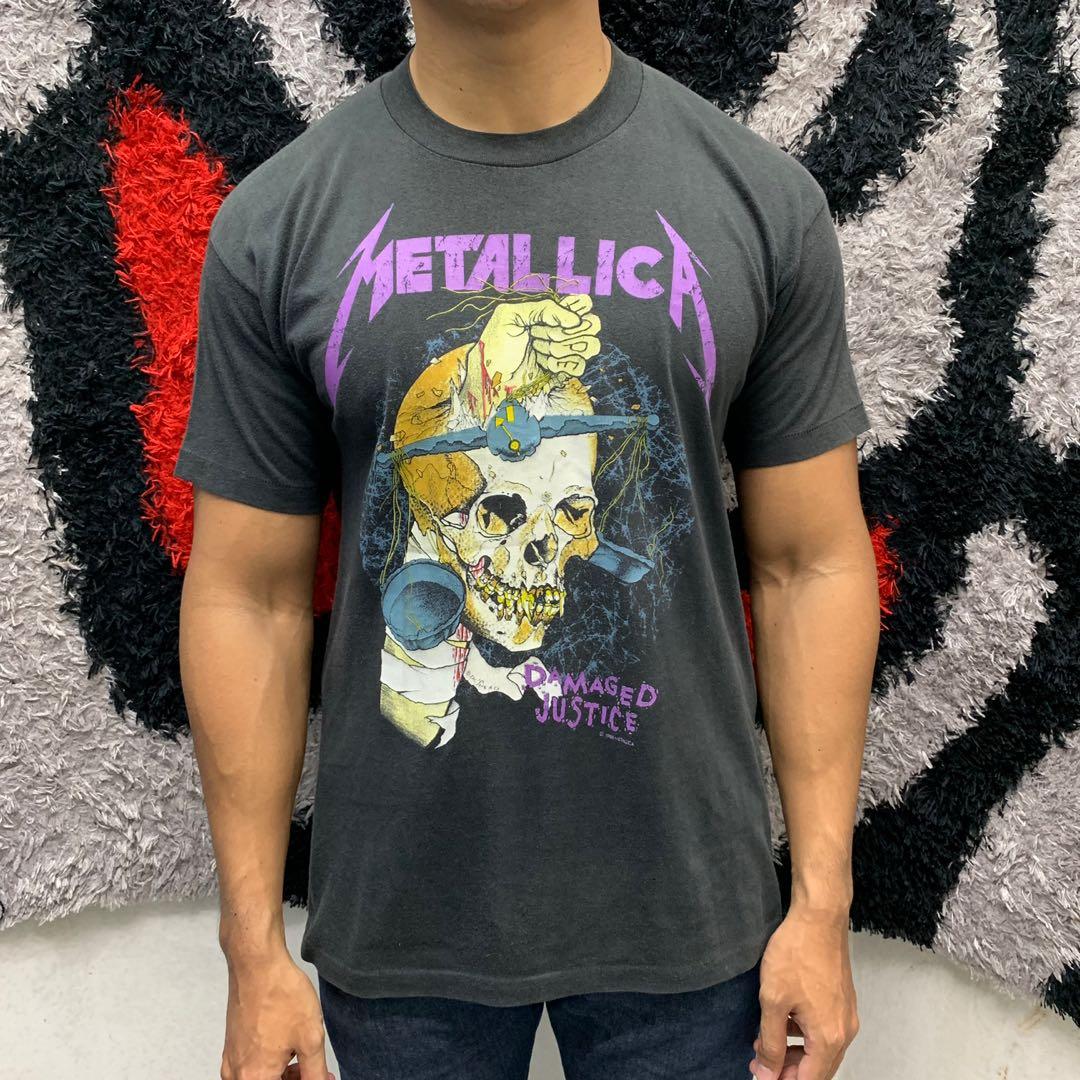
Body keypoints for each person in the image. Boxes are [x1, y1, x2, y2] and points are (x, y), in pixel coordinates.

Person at [175, 2, 880, 1078]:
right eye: (499, 515)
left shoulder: (757, 201)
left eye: (567, 519)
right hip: (402, 923)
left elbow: (808, 566)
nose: (540, 547)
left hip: (693, 917)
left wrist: (822, 905)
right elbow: (248, 596)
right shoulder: (281, 221)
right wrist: (250, 947)